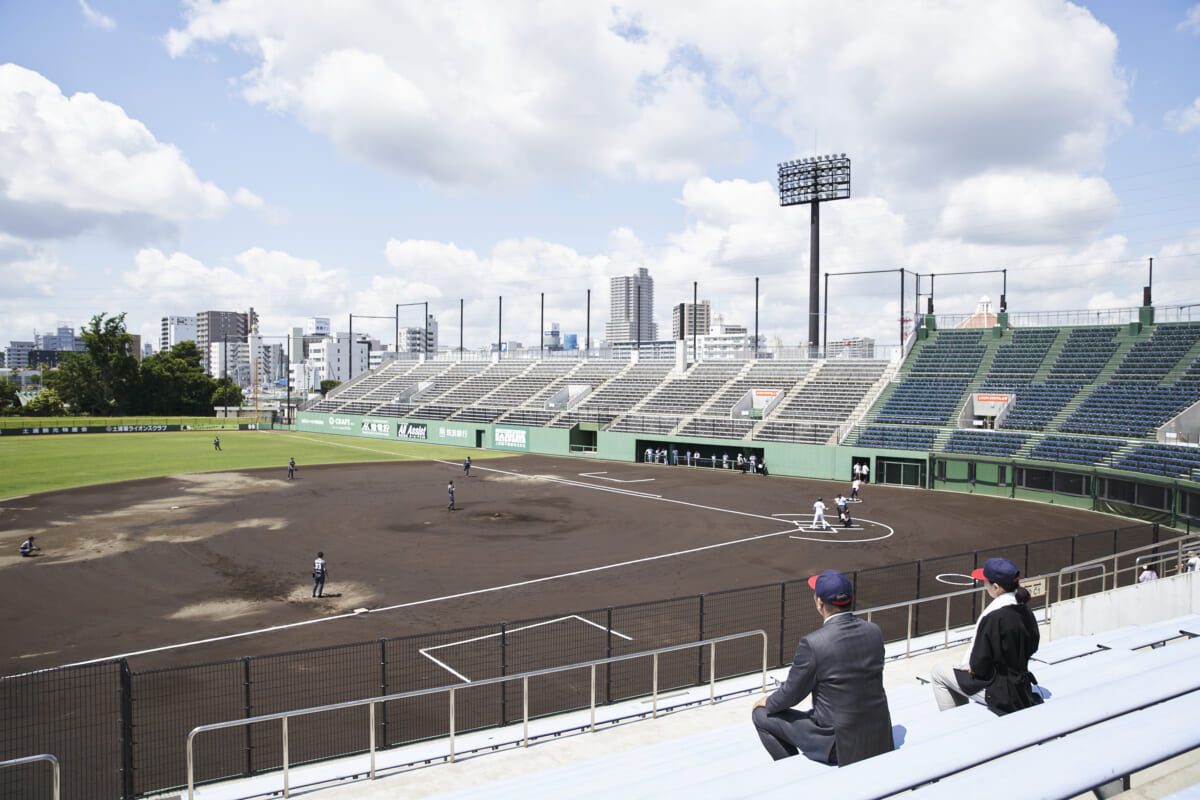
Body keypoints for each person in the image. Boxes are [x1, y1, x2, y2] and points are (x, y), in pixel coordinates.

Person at [751, 570, 893, 766]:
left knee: (761, 714)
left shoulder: (814, 643)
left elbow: (791, 695)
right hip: (879, 735)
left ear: (819, 603)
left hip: (840, 744)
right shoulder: (874, 631)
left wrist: (768, 701)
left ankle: (793, 771)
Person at [930, 557, 1042, 716]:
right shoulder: (1026, 610)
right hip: (1022, 684)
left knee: (938, 672)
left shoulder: (993, 616)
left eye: (986, 582)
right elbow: (1033, 647)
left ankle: (954, 723)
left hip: (1001, 692)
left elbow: (977, 666)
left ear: (996, 587)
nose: (985, 585)